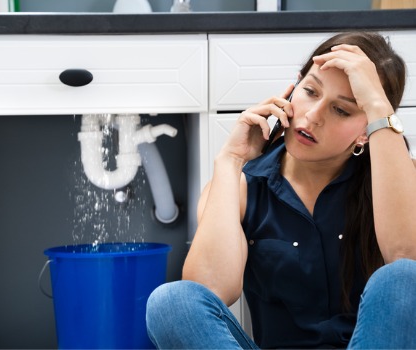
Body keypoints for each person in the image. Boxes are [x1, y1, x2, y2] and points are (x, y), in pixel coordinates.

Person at [146, 31, 416, 349]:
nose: (313, 116)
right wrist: (230, 160)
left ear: (365, 131)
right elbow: (208, 292)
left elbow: (406, 260)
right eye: (311, 91)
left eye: (341, 110)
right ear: (294, 87)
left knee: (402, 278)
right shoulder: (242, 186)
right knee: (171, 301)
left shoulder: (395, 178)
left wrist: (376, 107)